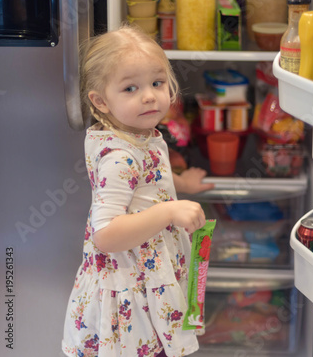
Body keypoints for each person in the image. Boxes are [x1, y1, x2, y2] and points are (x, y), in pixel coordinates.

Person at [62, 25, 214, 357]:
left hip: (147, 274)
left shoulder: (135, 133)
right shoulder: (121, 157)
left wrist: (180, 186)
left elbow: (143, 184)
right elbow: (107, 234)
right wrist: (168, 212)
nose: (149, 96)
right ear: (101, 101)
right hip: (133, 282)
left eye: (157, 83)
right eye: (131, 88)